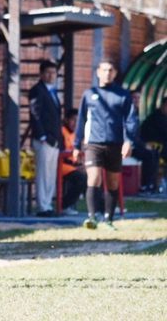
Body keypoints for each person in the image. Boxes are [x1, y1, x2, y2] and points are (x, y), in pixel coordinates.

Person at [73, 59, 137, 230]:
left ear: (115, 73)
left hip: (115, 143)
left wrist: (128, 141)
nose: (107, 73)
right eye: (104, 70)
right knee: (94, 177)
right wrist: (76, 145)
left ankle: (108, 218)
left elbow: (131, 120)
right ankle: (92, 217)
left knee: (113, 181)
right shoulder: (89, 94)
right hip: (93, 143)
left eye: (111, 70)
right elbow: (81, 120)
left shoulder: (123, 95)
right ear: (98, 72)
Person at [29, 60, 62, 217]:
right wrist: (42, 135)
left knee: (51, 174)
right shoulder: (37, 90)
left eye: (53, 73)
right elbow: (35, 114)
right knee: (42, 174)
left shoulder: (53, 91)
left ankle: (48, 205)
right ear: (41, 74)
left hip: (54, 140)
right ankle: (42, 207)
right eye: (48, 72)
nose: (51, 76)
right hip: (43, 140)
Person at [131, 92, 160, 194]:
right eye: (134, 98)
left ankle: (152, 184)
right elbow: (130, 135)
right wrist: (144, 145)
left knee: (154, 153)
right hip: (128, 146)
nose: (137, 100)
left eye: (138, 98)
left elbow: (138, 135)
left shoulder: (136, 113)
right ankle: (144, 184)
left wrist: (146, 144)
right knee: (148, 155)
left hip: (136, 144)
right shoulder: (126, 114)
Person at [60, 109, 86, 215]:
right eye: (73, 120)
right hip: (62, 165)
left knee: (94, 176)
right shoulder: (61, 132)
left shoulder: (76, 134)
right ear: (66, 120)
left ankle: (102, 207)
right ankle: (64, 206)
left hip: (73, 166)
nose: (75, 123)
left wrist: (81, 164)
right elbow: (62, 153)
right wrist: (76, 165)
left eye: (77, 120)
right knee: (82, 178)